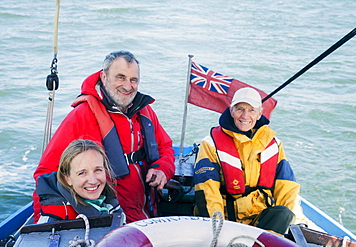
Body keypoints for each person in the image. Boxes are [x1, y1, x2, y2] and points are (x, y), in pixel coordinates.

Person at [33, 50, 175, 223]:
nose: (128, 86)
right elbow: (46, 175)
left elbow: (165, 146)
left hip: (147, 209)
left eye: (133, 80)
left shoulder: (145, 111)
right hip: (109, 216)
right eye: (120, 77)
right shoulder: (82, 116)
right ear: (104, 77)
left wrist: (162, 169)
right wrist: (43, 226)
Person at [193, 87, 307, 235]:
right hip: (227, 221)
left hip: (260, 220)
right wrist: (218, 230)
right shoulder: (210, 144)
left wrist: (299, 223)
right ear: (231, 111)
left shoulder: (274, 145)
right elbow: (207, 191)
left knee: (284, 213)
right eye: (240, 109)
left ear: (260, 114)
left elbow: (287, 189)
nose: (245, 116)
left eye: (252, 110)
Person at [36, 139, 125, 224]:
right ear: (67, 179)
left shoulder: (109, 201)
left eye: (98, 170)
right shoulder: (53, 218)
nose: (93, 181)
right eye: (82, 173)